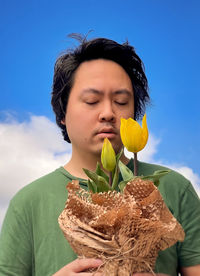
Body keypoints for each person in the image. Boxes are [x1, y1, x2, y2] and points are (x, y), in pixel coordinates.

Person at [0, 35, 200, 276]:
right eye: (92, 101)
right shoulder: (29, 202)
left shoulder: (175, 188)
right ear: (62, 113)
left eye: (121, 101)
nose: (108, 113)